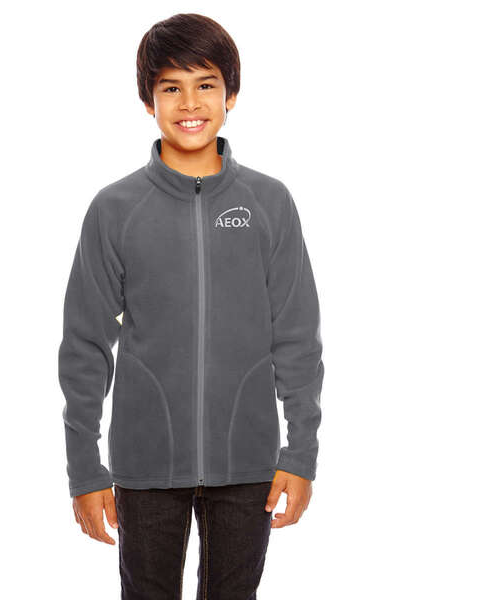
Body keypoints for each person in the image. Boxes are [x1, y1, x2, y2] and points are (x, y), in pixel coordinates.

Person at [58, 13, 325, 600]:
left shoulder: (269, 202)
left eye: (205, 84)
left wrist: (300, 453)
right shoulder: (115, 208)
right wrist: (85, 468)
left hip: (249, 463)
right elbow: (84, 346)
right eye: (170, 87)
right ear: (147, 100)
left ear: (231, 94)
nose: (189, 103)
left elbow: (297, 337)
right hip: (145, 467)